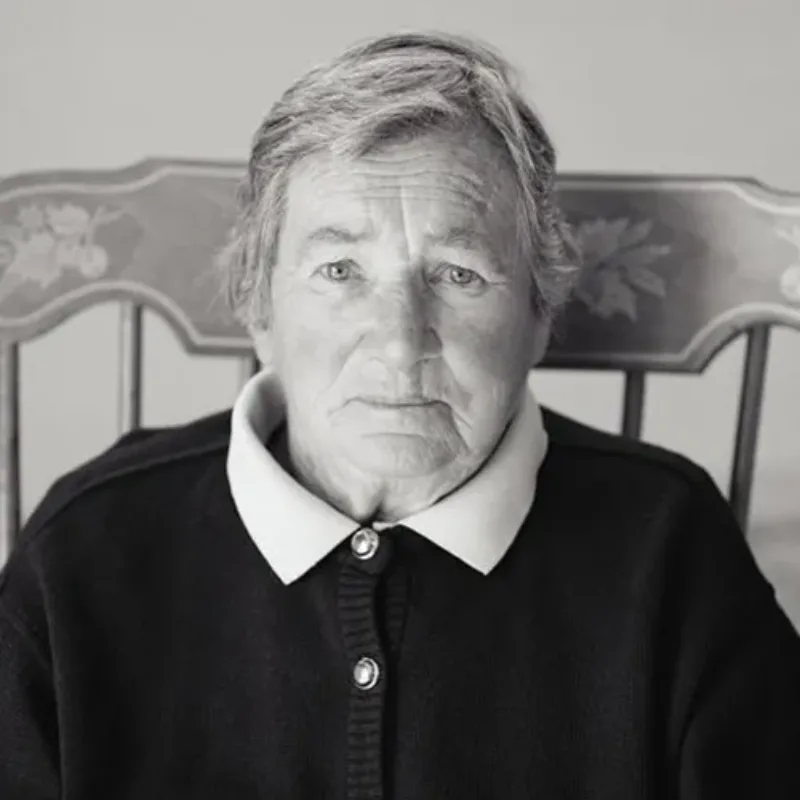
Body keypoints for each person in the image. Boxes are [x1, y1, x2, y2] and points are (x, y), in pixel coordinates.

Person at [1, 31, 799, 800]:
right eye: (339, 269)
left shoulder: (670, 546)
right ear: (255, 299)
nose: (397, 339)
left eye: (458, 274)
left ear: (538, 312)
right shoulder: (84, 549)